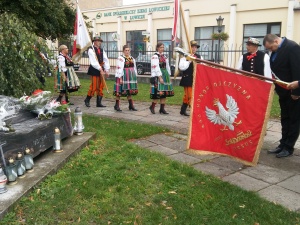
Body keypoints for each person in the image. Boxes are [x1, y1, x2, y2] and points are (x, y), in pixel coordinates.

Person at [263, 34, 300, 158]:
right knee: (285, 119)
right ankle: (282, 144)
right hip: (283, 92)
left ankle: (289, 147)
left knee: (293, 120)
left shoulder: (292, 47)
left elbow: (297, 69)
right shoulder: (276, 50)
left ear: (276, 41)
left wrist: (296, 92)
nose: (271, 50)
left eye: (271, 47)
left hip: (293, 92)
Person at [84, 36, 110, 107]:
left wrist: (106, 69)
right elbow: (94, 61)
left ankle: (98, 103)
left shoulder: (101, 50)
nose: (100, 42)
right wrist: (100, 69)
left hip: (101, 68)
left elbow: (105, 59)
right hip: (94, 69)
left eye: (100, 41)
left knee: (100, 86)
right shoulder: (91, 50)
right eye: (98, 41)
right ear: (94, 41)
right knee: (94, 86)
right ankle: (87, 99)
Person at [178, 40, 202, 116]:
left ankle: (182, 110)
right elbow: (181, 67)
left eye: (195, 47)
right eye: (193, 47)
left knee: (187, 96)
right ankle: (193, 112)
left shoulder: (199, 57)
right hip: (187, 79)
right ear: (190, 48)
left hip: (196, 78)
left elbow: (203, 66)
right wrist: (188, 61)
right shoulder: (184, 56)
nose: (194, 48)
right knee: (190, 96)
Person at [149, 42, 174, 114]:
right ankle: (152, 107)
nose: (162, 49)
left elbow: (167, 66)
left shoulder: (164, 56)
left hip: (165, 74)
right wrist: (160, 77)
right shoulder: (155, 56)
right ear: (157, 48)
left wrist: (169, 76)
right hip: (158, 75)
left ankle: (162, 109)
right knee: (158, 93)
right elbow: (156, 67)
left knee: (164, 93)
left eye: (163, 47)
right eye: (160, 47)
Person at [113, 45, 138, 112]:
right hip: (123, 76)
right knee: (119, 91)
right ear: (123, 51)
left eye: (128, 50)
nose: (127, 51)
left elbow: (134, 68)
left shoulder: (132, 58)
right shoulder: (121, 58)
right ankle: (117, 105)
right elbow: (119, 68)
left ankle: (131, 105)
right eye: (126, 50)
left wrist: (135, 77)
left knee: (129, 91)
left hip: (130, 77)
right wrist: (120, 78)